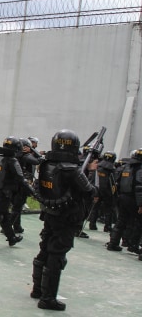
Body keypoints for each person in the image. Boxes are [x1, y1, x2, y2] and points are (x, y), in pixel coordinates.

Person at [30, 129, 97, 311]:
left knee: (45, 249)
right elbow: (89, 191)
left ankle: (37, 289)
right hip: (67, 216)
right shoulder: (72, 170)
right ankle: (48, 298)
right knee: (56, 256)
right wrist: (90, 173)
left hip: (50, 214)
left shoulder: (46, 164)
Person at [0, 136, 34, 250]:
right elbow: (21, 179)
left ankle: (12, 238)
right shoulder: (13, 161)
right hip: (5, 193)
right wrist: (33, 192)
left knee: (5, 215)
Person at [105, 148, 142, 257]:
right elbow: (139, 187)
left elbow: (116, 183)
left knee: (121, 221)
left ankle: (113, 243)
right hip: (134, 199)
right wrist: (140, 204)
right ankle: (133, 245)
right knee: (139, 223)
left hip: (122, 198)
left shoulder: (126, 167)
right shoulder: (139, 169)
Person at [88, 151, 117, 232]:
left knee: (95, 208)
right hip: (108, 192)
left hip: (97, 189)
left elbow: (92, 180)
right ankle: (107, 226)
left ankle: (92, 224)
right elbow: (113, 183)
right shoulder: (112, 170)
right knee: (108, 209)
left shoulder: (97, 167)